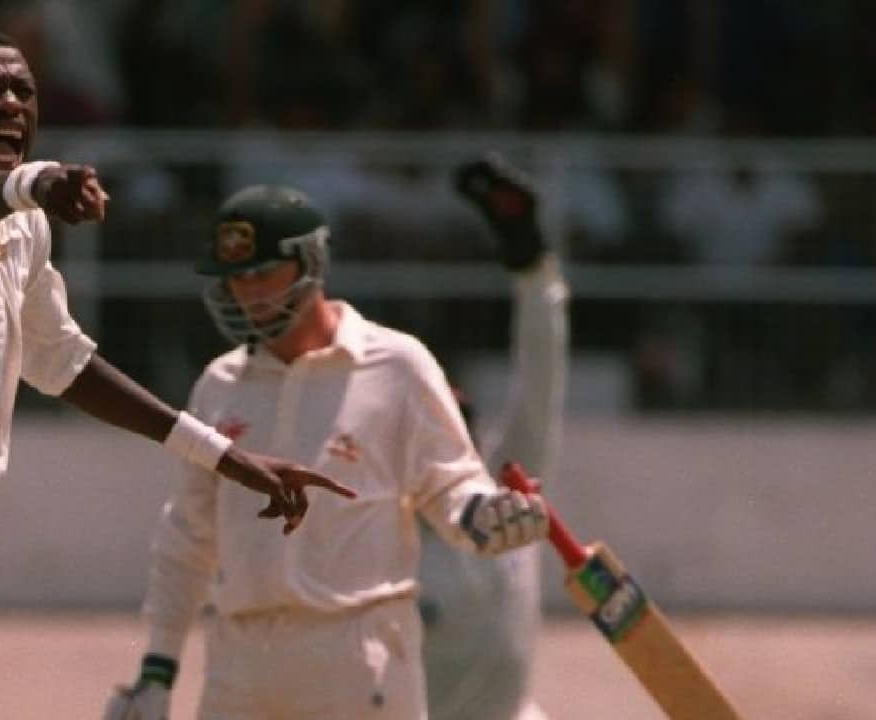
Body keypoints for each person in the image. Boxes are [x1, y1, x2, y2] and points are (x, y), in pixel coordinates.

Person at [0, 29, 352, 720]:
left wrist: (224, 456)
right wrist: (36, 181)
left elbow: (64, 363)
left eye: (22, 91)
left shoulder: (25, 229)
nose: (8, 103)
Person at [108, 183, 552, 719]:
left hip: (361, 659)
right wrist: (158, 669)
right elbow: (187, 536)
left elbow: (452, 486)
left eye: (263, 273)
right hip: (241, 663)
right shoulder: (220, 384)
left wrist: (486, 514)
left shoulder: (397, 365)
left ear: (310, 262)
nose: (249, 294)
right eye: (237, 278)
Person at [419, 157, 571, 720]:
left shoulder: (510, 493)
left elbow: (541, 374)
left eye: (461, 420)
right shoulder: (373, 531)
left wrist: (531, 264)